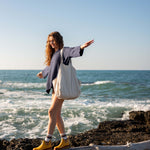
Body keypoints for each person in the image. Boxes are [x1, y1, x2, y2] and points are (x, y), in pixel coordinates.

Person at [33, 31, 94, 150]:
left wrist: (81, 47)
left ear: (58, 40)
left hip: (61, 87)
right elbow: (51, 66)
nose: (51, 43)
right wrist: (43, 73)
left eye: (53, 41)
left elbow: (71, 51)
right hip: (55, 87)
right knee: (56, 114)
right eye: (49, 41)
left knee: (51, 112)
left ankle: (47, 141)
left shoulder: (63, 51)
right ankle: (65, 140)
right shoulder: (55, 54)